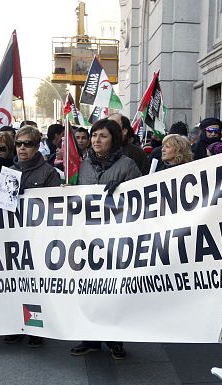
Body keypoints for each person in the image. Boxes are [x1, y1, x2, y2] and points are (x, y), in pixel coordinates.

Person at [70, 118, 141, 360]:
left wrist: (122, 189)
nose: (96, 140)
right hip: (87, 237)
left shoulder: (127, 165)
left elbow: (142, 198)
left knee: (112, 290)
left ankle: (114, 340)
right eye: (94, 136)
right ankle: (89, 339)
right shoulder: (83, 164)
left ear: (114, 140)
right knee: (88, 289)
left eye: (103, 136)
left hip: (115, 238)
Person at [0, 125, 61, 348]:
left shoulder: (49, 173)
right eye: (19, 144)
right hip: (13, 236)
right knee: (15, 284)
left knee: (33, 286)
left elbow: (55, 207)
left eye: (28, 144)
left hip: (37, 237)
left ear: (37, 146)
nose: (22, 148)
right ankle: (16, 325)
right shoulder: (8, 171)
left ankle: (35, 328)